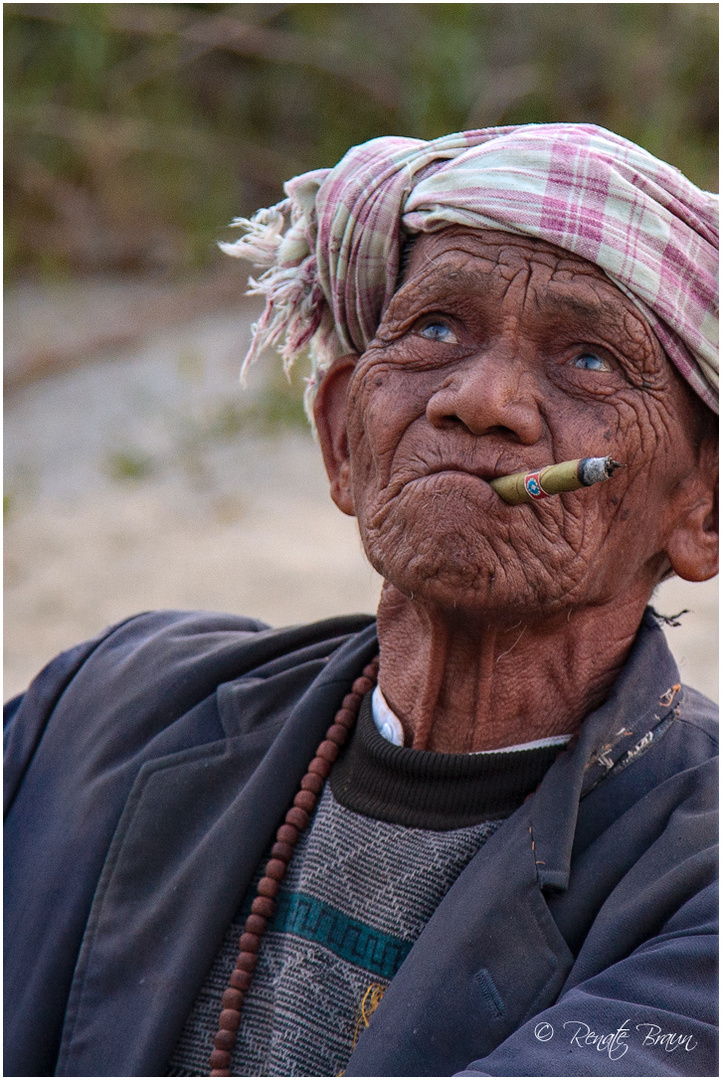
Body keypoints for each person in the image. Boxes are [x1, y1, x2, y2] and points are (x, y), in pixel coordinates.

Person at [4, 124, 718, 1078]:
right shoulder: (107, 707)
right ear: (344, 436)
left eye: (588, 358)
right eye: (435, 329)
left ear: (701, 512)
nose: (482, 400)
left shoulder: (699, 877)